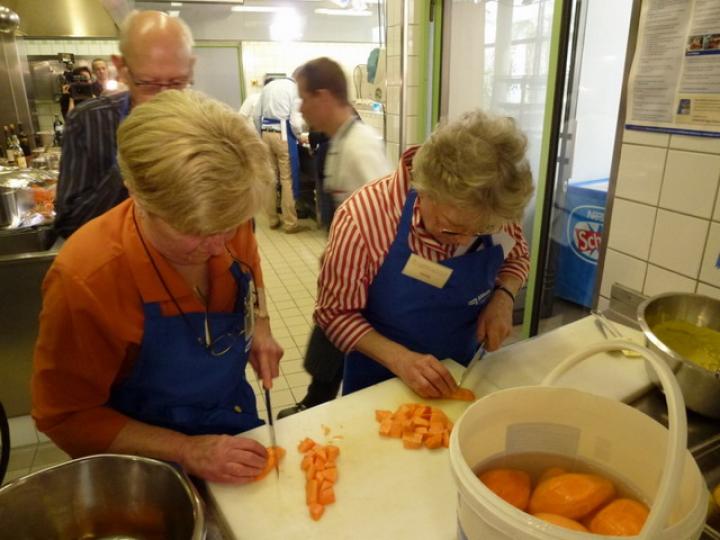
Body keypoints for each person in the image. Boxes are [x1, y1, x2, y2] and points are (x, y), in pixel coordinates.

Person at [32, 89, 284, 484]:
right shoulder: (86, 279)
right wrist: (186, 450)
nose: (220, 245)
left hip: (230, 421)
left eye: (231, 226)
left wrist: (262, 325)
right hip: (147, 467)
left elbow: (252, 281)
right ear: (137, 195)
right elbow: (66, 417)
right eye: (196, 232)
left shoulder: (225, 217)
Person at [315, 110, 534, 397]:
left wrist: (504, 297)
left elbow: (517, 257)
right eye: (453, 228)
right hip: (379, 384)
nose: (465, 240)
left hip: (465, 373)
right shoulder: (363, 219)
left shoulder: (492, 206)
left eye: (483, 230)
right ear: (425, 190)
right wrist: (401, 360)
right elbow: (334, 314)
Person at [277, 58, 392, 417]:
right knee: (328, 339)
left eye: (303, 97)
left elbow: (387, 218)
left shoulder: (360, 146)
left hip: (367, 278)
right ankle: (317, 402)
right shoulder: (339, 141)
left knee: (334, 333)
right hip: (349, 272)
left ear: (324, 97)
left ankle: (316, 406)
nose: (300, 107)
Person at [54, 10, 194, 239]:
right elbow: (69, 224)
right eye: (148, 83)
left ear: (191, 67)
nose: (164, 96)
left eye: (177, 82)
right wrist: (131, 162)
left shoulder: (207, 123)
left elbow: (234, 217)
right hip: (114, 254)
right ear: (121, 68)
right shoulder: (87, 121)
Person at [255, 76, 306, 233]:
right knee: (287, 179)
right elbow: (295, 122)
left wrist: (261, 134)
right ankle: (290, 223)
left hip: (265, 133)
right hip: (283, 135)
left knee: (270, 179)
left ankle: (272, 219)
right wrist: (299, 136)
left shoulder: (267, 88)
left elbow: (256, 116)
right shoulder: (294, 89)